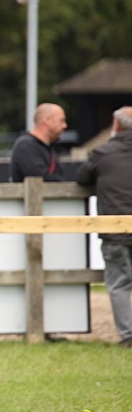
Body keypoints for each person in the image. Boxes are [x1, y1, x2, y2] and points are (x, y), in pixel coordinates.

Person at [76, 107, 132, 348]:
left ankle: (128, 336)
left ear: (116, 125)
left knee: (119, 284)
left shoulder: (103, 153)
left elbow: (82, 177)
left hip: (115, 231)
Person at [10, 103, 68, 182]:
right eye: (61, 121)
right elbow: (39, 177)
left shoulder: (49, 148)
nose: (65, 125)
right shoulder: (26, 145)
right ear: (48, 120)